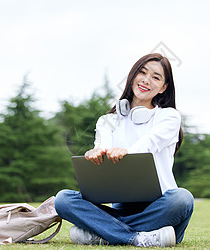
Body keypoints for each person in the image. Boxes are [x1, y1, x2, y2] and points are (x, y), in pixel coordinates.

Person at [54, 53, 194, 247]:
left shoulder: (169, 117)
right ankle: (139, 238)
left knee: (182, 199)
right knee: (63, 200)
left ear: (163, 87)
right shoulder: (108, 120)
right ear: (132, 76)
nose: (146, 80)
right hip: (122, 208)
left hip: (160, 208)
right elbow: (102, 147)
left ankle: (105, 233)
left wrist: (127, 153)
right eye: (142, 72)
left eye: (156, 77)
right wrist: (96, 155)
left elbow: (149, 142)